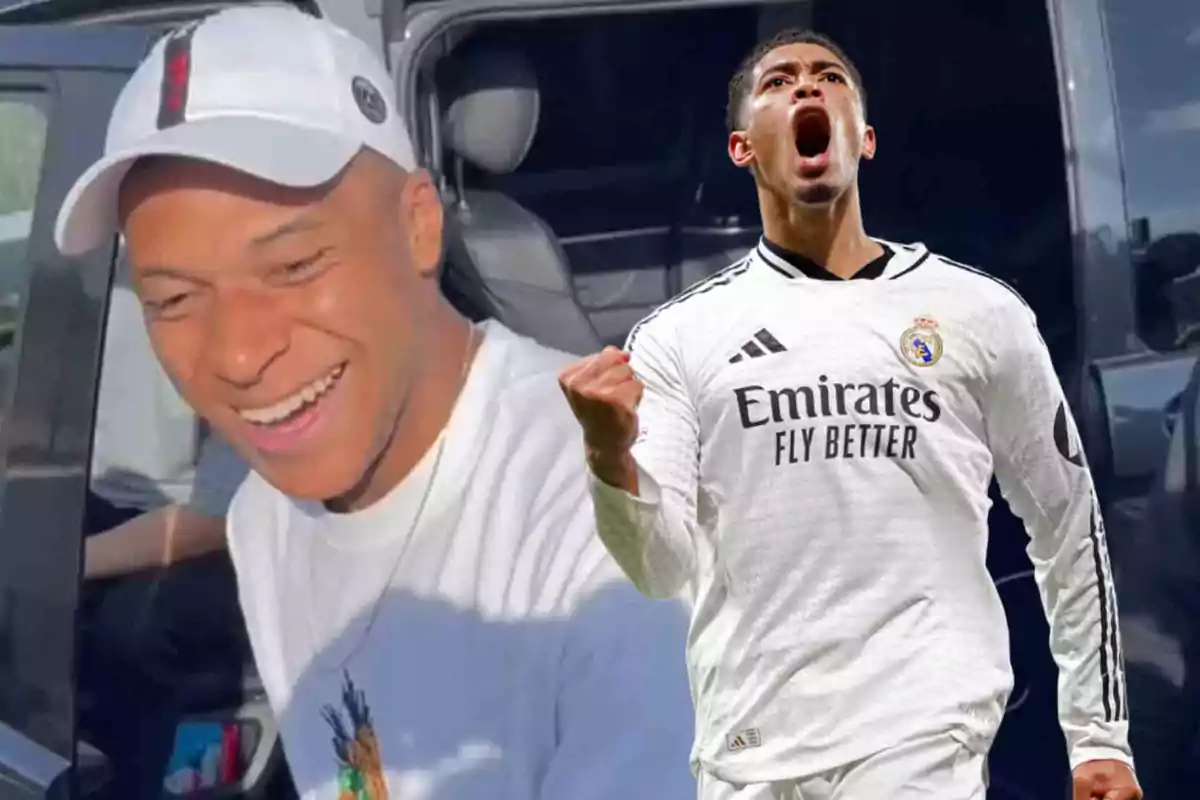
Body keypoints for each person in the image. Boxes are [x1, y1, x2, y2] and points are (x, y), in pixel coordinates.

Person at [55, 5, 694, 799]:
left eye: (293, 265)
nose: (241, 354)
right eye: (177, 299)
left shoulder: (620, 528)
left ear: (420, 226)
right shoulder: (268, 520)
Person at [558, 28, 1141, 800]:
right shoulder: (678, 339)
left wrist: (1098, 737)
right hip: (750, 751)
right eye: (780, 82)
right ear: (743, 149)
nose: (806, 88)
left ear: (862, 139)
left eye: (828, 77)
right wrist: (609, 455)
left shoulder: (977, 313)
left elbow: (1068, 525)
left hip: (919, 735)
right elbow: (660, 565)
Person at [80, 260, 249, 799]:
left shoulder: (232, 301)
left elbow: (216, 518)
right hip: (103, 492)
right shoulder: (85, 254)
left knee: (130, 629)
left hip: (210, 525)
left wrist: (63, 562)